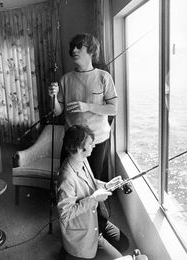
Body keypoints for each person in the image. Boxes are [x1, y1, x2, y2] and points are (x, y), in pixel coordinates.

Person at [57, 125, 148, 260]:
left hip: (95, 219)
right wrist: (94, 198)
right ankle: (71, 251)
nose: (93, 145)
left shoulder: (82, 159)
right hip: (83, 228)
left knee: (123, 244)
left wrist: (107, 185)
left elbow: (90, 181)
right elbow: (65, 214)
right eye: (90, 143)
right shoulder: (66, 177)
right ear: (78, 148)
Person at [49, 33, 117, 179]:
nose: (74, 50)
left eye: (79, 46)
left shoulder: (104, 77)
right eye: (72, 47)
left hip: (96, 141)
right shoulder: (65, 79)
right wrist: (53, 97)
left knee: (93, 180)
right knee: (67, 178)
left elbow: (113, 108)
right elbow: (57, 111)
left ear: (91, 51)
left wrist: (88, 107)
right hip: (72, 140)